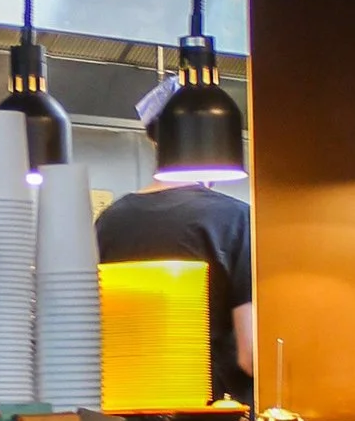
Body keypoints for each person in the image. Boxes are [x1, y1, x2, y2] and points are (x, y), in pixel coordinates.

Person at [94, 172, 255, 405]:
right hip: (212, 412)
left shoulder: (108, 221)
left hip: (124, 409)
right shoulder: (236, 218)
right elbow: (250, 355)